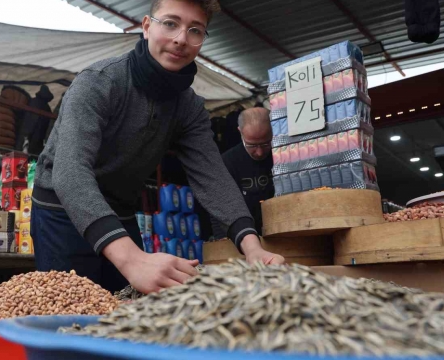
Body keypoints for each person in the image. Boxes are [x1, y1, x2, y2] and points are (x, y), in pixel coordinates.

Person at [31, 0, 285, 295]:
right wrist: (132, 258)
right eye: (170, 24)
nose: (181, 39)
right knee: (68, 314)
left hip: (121, 211)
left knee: (128, 314)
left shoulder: (188, 106)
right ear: (147, 26)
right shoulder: (100, 82)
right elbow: (70, 173)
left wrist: (252, 248)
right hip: (60, 210)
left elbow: (213, 178)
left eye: (195, 30)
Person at [210, 107, 275, 239]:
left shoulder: (284, 154)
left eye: (265, 144)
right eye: (252, 145)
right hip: (245, 238)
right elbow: (218, 207)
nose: (259, 152)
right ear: (240, 132)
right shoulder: (227, 163)